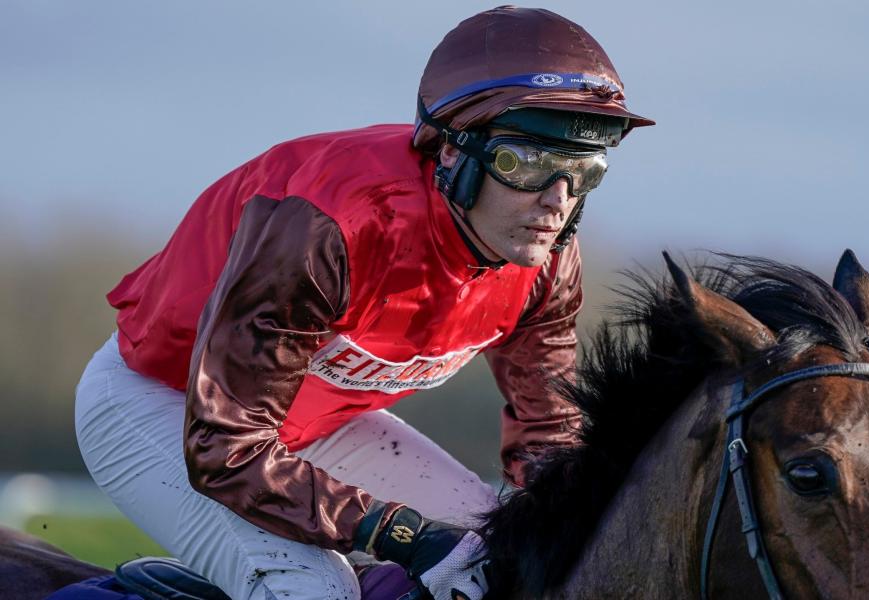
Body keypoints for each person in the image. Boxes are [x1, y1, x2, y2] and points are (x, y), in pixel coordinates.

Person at [75, 6, 653, 600]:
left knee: (495, 557)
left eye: (583, 169)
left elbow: (549, 435)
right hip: (167, 409)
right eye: (525, 163)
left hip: (316, 425)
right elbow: (226, 448)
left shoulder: (547, 258)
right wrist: (395, 533)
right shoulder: (330, 226)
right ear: (452, 153)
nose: (557, 201)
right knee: (314, 587)